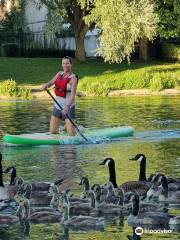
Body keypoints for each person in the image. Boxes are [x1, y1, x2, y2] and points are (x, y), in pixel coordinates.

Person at [42, 56, 77, 135]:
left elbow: (72, 96)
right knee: (53, 132)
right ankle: (66, 127)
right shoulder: (59, 74)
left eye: (67, 63)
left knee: (72, 135)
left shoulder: (73, 78)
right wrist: (46, 85)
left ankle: (72, 127)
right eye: (63, 63)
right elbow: (51, 83)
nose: (65, 65)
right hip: (57, 106)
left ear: (71, 64)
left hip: (69, 108)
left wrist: (67, 107)